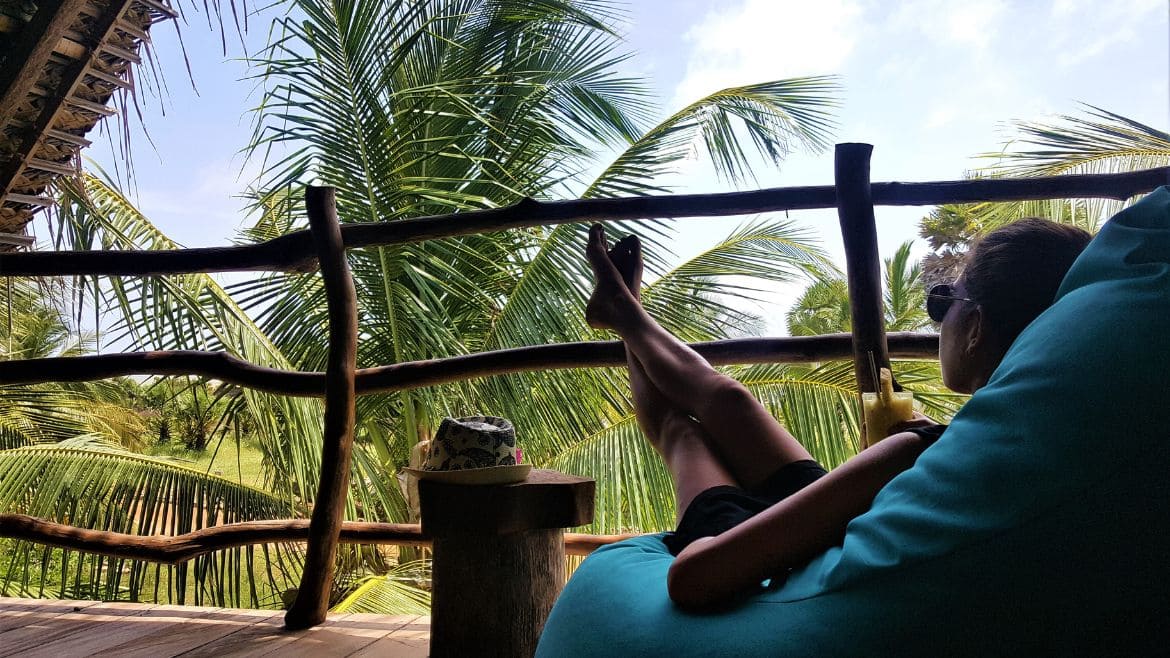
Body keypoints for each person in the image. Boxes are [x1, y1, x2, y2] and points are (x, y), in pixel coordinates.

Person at [583, 218, 1092, 610]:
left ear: (977, 328)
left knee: (683, 434)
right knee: (728, 401)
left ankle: (623, 311)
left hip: (773, 568)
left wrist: (897, 452)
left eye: (944, 302)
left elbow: (691, 579)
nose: (941, 319)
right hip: (835, 534)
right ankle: (626, 309)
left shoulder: (922, 450)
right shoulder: (1056, 439)